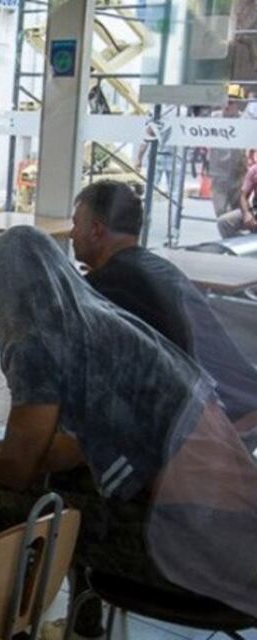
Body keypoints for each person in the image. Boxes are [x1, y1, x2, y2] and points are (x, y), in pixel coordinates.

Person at [0, 226, 257, 636]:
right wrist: (13, 449)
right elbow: (74, 451)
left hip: (201, 550)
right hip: (239, 528)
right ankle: (82, 627)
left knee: (2, 508)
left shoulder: (36, 342)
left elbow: (18, 468)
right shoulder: (102, 323)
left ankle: (1, 630)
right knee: (64, 484)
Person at [71, 180, 257, 436]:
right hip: (243, 402)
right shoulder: (154, 267)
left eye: (75, 224)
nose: (71, 234)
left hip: (219, 427)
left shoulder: (109, 286)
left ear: (95, 230)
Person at [207, 86, 247, 223]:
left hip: (238, 175)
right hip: (218, 175)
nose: (226, 105)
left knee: (237, 214)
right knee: (221, 214)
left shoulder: (244, 120)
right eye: (224, 101)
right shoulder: (213, 118)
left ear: (237, 103)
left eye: (230, 102)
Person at [215, 161, 257, 238]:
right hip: (255, 211)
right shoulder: (254, 170)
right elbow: (243, 196)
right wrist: (246, 213)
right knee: (224, 222)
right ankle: (243, 246)